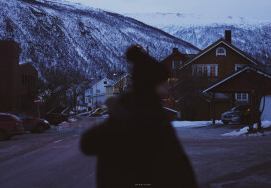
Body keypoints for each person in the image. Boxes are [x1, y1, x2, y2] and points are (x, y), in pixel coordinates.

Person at [80, 45, 198, 188]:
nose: (168, 87)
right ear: (150, 86)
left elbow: (89, 143)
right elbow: (177, 168)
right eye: (163, 83)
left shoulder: (125, 113)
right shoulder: (148, 120)